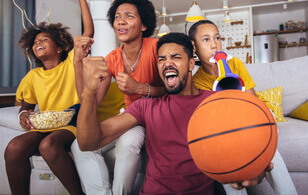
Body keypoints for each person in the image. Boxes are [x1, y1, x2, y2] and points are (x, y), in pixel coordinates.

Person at [75, 32, 272, 194]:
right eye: (161, 59)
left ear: (191, 65)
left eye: (175, 57)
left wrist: (254, 167)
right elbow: (88, 142)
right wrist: (89, 92)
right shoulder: (146, 106)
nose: (167, 63)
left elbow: (245, 140)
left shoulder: (214, 102)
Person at [4, 0, 93, 195]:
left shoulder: (72, 62)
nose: (37, 43)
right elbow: (26, 106)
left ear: (61, 47)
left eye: (44, 39)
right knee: (13, 147)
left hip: (72, 122)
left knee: (48, 146)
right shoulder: (33, 76)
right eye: (34, 42)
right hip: (46, 124)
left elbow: (88, 33)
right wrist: (24, 115)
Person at [71, 0, 164, 195]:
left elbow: (174, 88)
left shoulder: (157, 47)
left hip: (155, 118)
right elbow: (91, 103)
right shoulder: (112, 58)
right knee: (79, 145)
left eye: (129, 16)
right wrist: (78, 63)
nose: (120, 21)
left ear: (144, 25)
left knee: (129, 140)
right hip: (130, 117)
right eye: (117, 17)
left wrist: (140, 88)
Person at [189, 19, 298, 195]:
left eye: (217, 38)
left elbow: (252, 102)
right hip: (227, 124)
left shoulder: (235, 64)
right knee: (224, 155)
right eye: (206, 40)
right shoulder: (197, 81)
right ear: (194, 46)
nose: (215, 45)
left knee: (270, 150)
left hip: (252, 114)